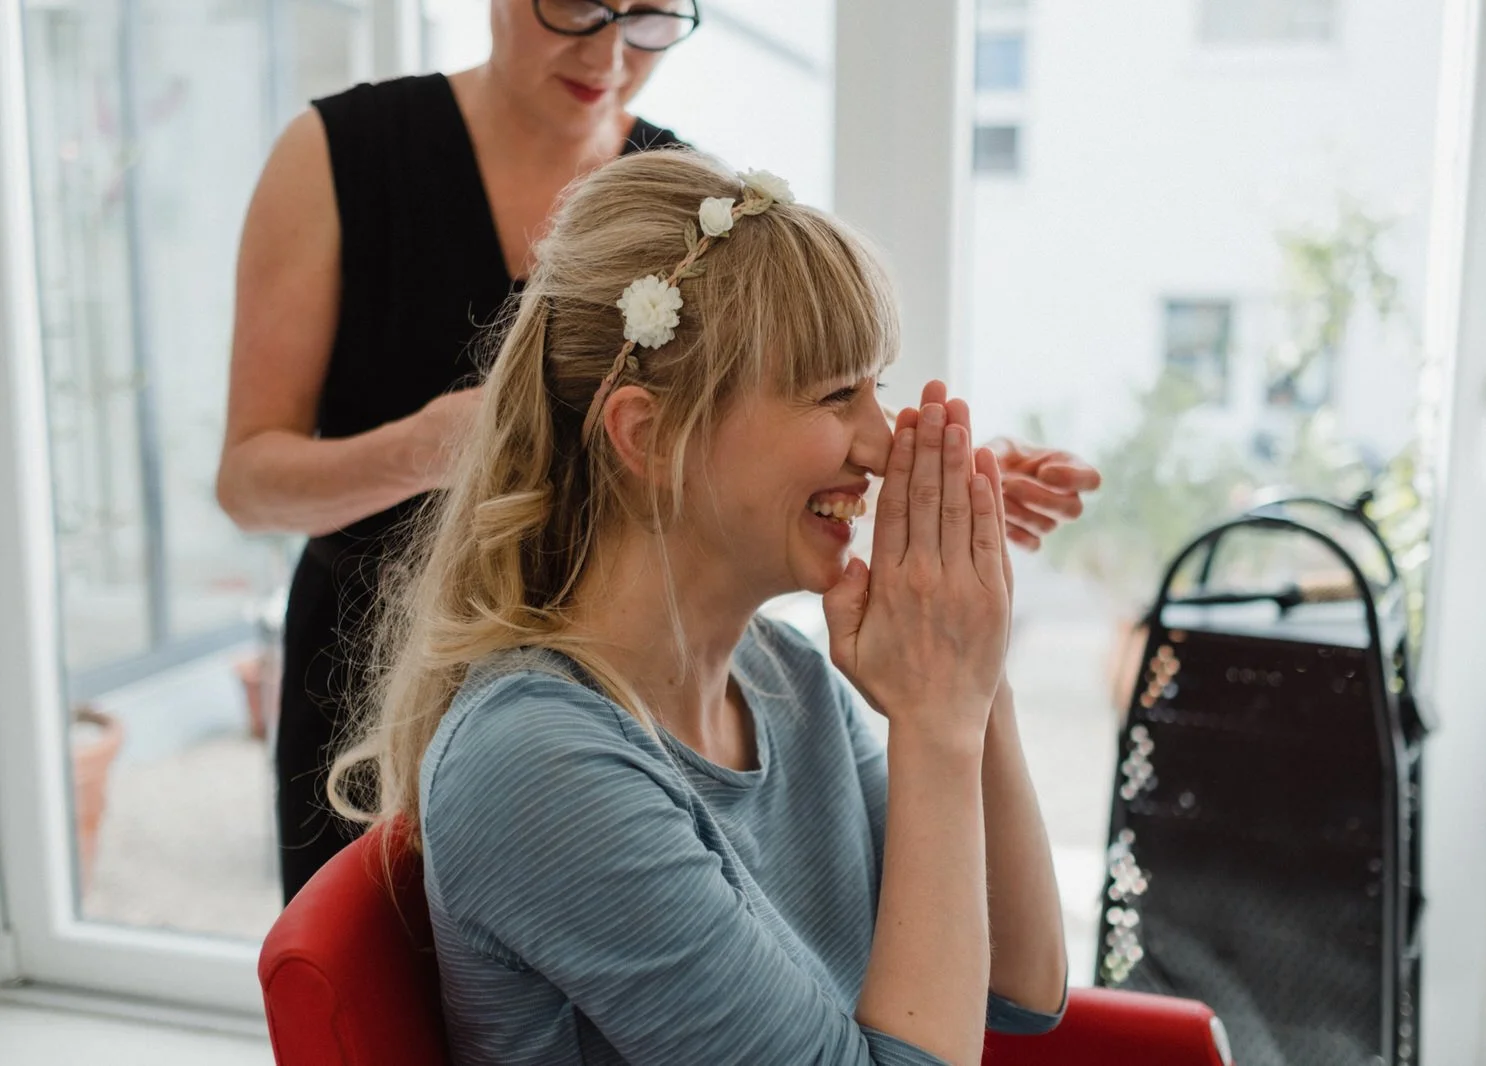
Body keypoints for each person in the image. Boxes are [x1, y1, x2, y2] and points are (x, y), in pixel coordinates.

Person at [217, 0, 1098, 904]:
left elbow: (765, 414)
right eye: (576, 6)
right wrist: (428, 448)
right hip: (373, 661)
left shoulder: (696, 205)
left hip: (626, 675)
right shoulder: (341, 158)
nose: (609, 50)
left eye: (649, 16)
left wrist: (927, 472)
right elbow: (248, 486)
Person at [329, 148, 1068, 1066]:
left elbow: (1022, 985)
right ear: (649, 435)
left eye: (878, 387)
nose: (883, 447)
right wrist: (936, 716)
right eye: (839, 395)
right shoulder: (535, 766)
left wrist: (970, 655)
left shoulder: (783, 678)